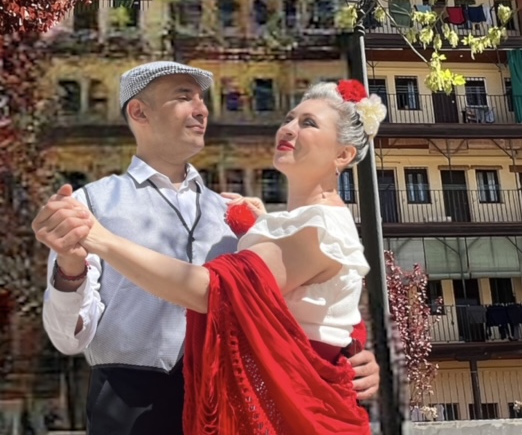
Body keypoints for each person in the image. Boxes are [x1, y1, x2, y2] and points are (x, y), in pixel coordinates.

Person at [32, 62, 379, 435]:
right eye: (184, 97)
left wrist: (352, 354)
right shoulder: (89, 206)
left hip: (227, 401)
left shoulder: (233, 214)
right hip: (125, 406)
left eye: (203, 100)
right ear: (139, 111)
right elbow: (67, 338)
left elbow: (303, 302)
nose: (202, 110)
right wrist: (71, 269)